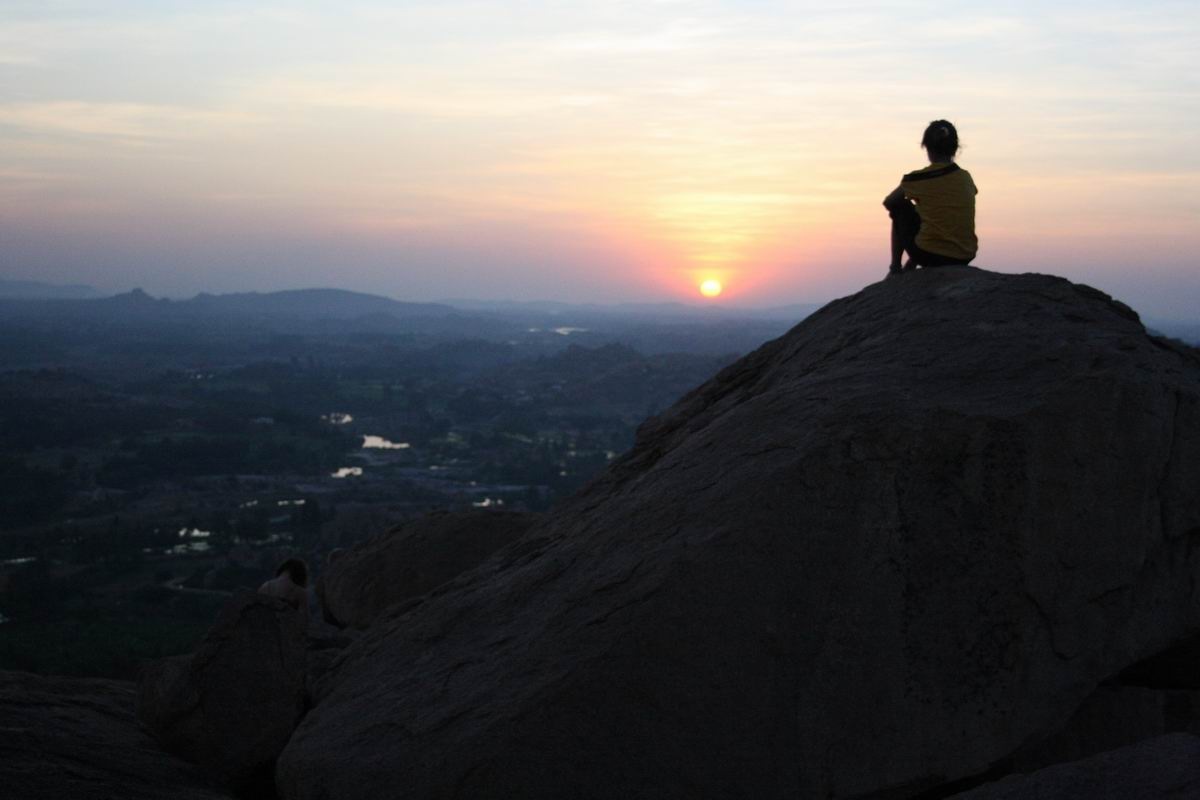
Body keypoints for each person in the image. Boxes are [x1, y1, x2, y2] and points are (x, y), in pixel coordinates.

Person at [883, 120, 978, 275]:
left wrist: (918, 207)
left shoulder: (919, 178)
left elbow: (889, 202)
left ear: (926, 147)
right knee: (936, 212)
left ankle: (895, 269)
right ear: (955, 148)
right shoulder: (966, 177)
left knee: (900, 207)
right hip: (965, 255)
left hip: (930, 256)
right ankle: (910, 265)